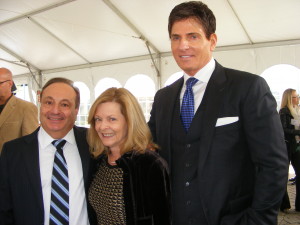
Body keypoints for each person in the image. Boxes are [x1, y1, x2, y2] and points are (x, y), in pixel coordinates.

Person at [148, 1, 288, 225]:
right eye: (176, 37)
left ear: (212, 41)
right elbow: (147, 150)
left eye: (193, 36)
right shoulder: (163, 98)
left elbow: (273, 164)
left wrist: (258, 220)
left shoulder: (248, 87)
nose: (182, 45)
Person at [0, 77, 93, 225]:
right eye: (49, 103)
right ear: (40, 105)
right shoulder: (12, 152)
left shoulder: (93, 143)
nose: (55, 111)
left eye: (64, 104)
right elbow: (3, 210)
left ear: (76, 110)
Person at [87, 87, 171, 225]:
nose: (102, 126)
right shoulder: (98, 161)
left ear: (130, 122)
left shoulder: (149, 164)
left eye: (112, 119)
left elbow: (163, 219)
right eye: (98, 119)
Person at [0, 67, 39, 152]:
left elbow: (31, 143)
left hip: (10, 163)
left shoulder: (26, 108)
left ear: (10, 84)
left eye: (0, 83)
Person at [279, 88, 300, 212]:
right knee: (283, 176)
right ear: (288, 98)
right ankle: (284, 205)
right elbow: (283, 129)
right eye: (295, 97)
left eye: (297, 96)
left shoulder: (297, 111)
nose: (297, 99)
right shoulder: (284, 111)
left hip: (297, 146)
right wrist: (298, 132)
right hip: (286, 146)